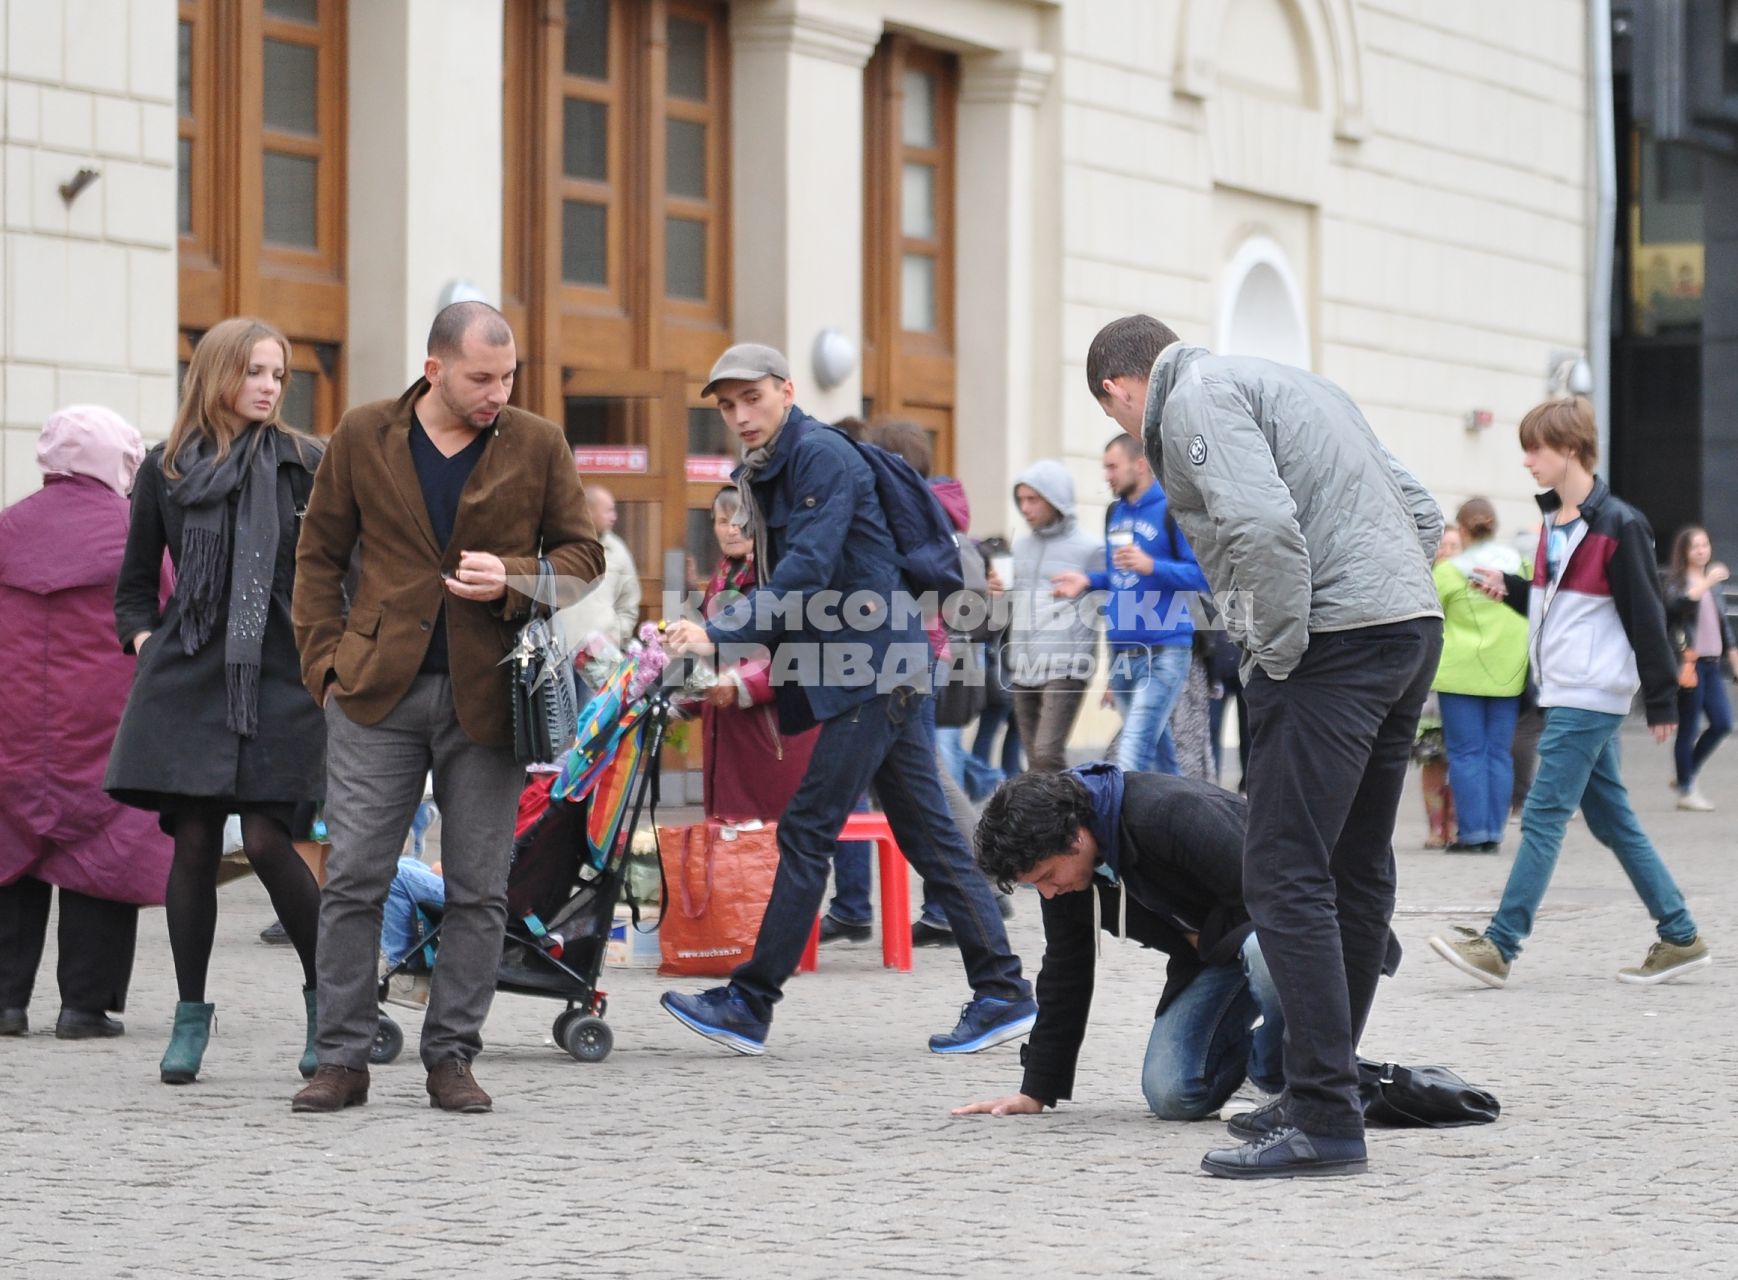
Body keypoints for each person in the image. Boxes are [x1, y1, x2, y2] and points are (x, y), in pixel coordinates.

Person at [1088, 314, 1443, 1179]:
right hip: (1404, 628)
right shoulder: (1297, 384)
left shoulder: (1196, 402)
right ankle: (1325, 1090)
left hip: (1329, 644)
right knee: (1354, 870)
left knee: (1282, 871)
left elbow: (1260, 528)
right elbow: (1424, 516)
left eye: (1117, 421)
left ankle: (1323, 1115)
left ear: (1118, 392)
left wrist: (1275, 654)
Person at [660, 343, 1034, 1055]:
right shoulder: (773, 464)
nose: (740, 415)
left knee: (807, 831)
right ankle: (1004, 990)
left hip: (872, 667)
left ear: (787, 390)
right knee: (932, 837)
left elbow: (806, 569)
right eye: (728, 405)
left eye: (753, 398)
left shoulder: (820, 457)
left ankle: (750, 1001)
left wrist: (718, 632)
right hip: (873, 663)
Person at [290, 301, 603, 1115]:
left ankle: (452, 1057)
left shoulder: (537, 442)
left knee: (478, 886)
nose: (498, 391)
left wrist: (517, 577)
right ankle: (342, 1058)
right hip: (372, 691)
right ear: (434, 369)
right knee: (356, 876)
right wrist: (322, 665)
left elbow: (583, 556)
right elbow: (318, 553)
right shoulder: (362, 434)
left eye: (508, 376)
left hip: (490, 696)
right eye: (481, 377)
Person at [102, 319, 328, 1085]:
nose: (269, 385)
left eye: (278, 372)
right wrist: (142, 643)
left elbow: (343, 573)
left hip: (283, 674)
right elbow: (134, 587)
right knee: (194, 842)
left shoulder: (307, 464)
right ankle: (190, 1014)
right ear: (218, 374)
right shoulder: (165, 470)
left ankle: (326, 1000)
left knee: (268, 842)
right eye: (255, 370)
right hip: (189, 676)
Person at [1430, 397, 1711, 991]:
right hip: (1566, 689)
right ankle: (1681, 934)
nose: (1528, 460)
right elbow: (1559, 604)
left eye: (1537, 448)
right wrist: (1508, 586)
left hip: (1591, 692)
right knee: (1612, 822)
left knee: (1543, 817)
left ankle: (1501, 945)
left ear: (1571, 449)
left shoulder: (1619, 524)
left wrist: (1661, 698)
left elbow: (1645, 613)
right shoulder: (1554, 524)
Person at [955, 765, 1283, 1122]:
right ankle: (1301, 1056)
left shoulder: (1169, 814)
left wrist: (1210, 937)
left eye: (1048, 877)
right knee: (1172, 1094)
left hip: (1289, 930)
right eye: (1036, 886)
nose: (1048, 892)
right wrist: (1035, 1090)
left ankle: (1291, 1072)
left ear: (1075, 837)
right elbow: (1066, 972)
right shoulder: (1065, 875)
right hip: (1216, 956)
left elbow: (1277, 897)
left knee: (1265, 949)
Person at [0, 407, 174, 1040]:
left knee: (11, 853)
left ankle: (5, 1002)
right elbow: (166, 614)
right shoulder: (134, 531)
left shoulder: (7, 528)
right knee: (102, 855)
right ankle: (84, 1007)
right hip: (106, 724)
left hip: (13, 726)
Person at [1052, 435, 1206, 775]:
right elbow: (1120, 578)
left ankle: (1113, 826)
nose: (1106, 476)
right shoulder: (1115, 512)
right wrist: (1088, 581)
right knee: (1161, 755)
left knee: (1132, 753)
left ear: (1139, 465)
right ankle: (1183, 816)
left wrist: (1153, 566)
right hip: (1122, 652)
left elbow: (1203, 576)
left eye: (1112, 467)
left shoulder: (1171, 510)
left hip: (1163, 651)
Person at [694, 486, 820, 821]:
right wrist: (679, 691)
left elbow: (799, 654)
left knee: (769, 852)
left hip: (772, 737)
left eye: (740, 520)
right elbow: (711, 657)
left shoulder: (783, 578)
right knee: (732, 853)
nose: (731, 529)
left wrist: (739, 682)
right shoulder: (721, 582)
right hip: (729, 738)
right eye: (722, 521)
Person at [1432, 499, 1529, 852]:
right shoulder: (1519, 564)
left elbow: (1431, 613)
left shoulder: (1447, 571)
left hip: (1460, 672)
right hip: (1508, 669)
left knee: (1465, 753)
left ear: (1461, 528)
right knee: (1498, 753)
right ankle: (1494, 832)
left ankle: (1472, 832)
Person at [1006, 461, 1099, 773]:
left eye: (1033, 499)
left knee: (1047, 753)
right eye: (1021, 499)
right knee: (1034, 758)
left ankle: (1073, 815)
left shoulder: (1090, 548)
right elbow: (1012, 605)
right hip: (1023, 663)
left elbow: (1108, 607)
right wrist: (997, 592)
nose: (1025, 508)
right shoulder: (1019, 547)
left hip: (1067, 664)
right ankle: (1049, 819)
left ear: (1055, 499)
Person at [1663, 526, 1734, 811]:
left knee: (1722, 723)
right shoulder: (1676, 581)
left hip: (1713, 665)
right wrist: (1706, 582)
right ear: (1685, 552)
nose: (1702, 550)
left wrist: (1735, 660)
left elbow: (1724, 628)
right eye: (1696, 546)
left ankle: (1685, 772)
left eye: (1705, 544)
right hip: (1689, 664)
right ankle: (1686, 790)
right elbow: (1678, 604)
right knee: (1689, 726)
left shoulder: (1712, 584)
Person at [586, 485, 642, 649]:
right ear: (588, 511)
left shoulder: (618, 551)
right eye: (608, 511)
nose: (614, 517)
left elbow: (628, 605)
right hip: (559, 662)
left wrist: (614, 638)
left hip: (602, 661)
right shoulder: (558, 547)